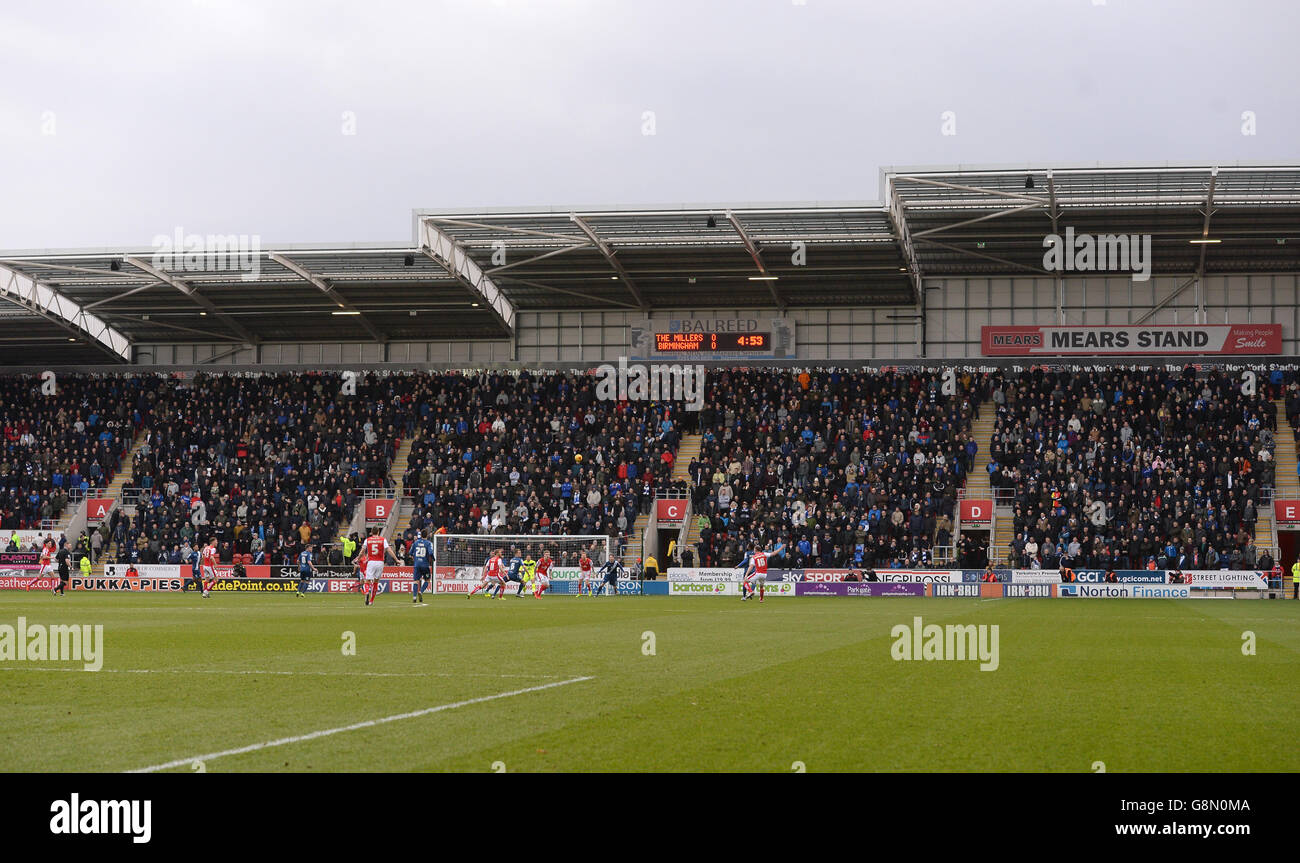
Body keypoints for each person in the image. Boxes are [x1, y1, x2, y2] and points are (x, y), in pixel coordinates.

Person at [357, 527, 394, 607]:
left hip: (371, 562)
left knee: (367, 581)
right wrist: (396, 559)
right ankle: (371, 601)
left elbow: (362, 551)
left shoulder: (367, 540)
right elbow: (389, 550)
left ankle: (367, 592)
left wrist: (358, 558)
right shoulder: (383, 539)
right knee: (376, 582)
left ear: (371, 532)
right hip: (380, 562)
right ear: (378, 532)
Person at [409, 530, 434, 603]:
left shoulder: (415, 542)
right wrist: (433, 559)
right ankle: (421, 591)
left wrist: (415, 559)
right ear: (427, 535)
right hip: (425, 565)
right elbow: (431, 553)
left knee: (416, 581)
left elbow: (410, 553)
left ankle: (414, 597)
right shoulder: (429, 543)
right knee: (427, 580)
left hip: (417, 565)